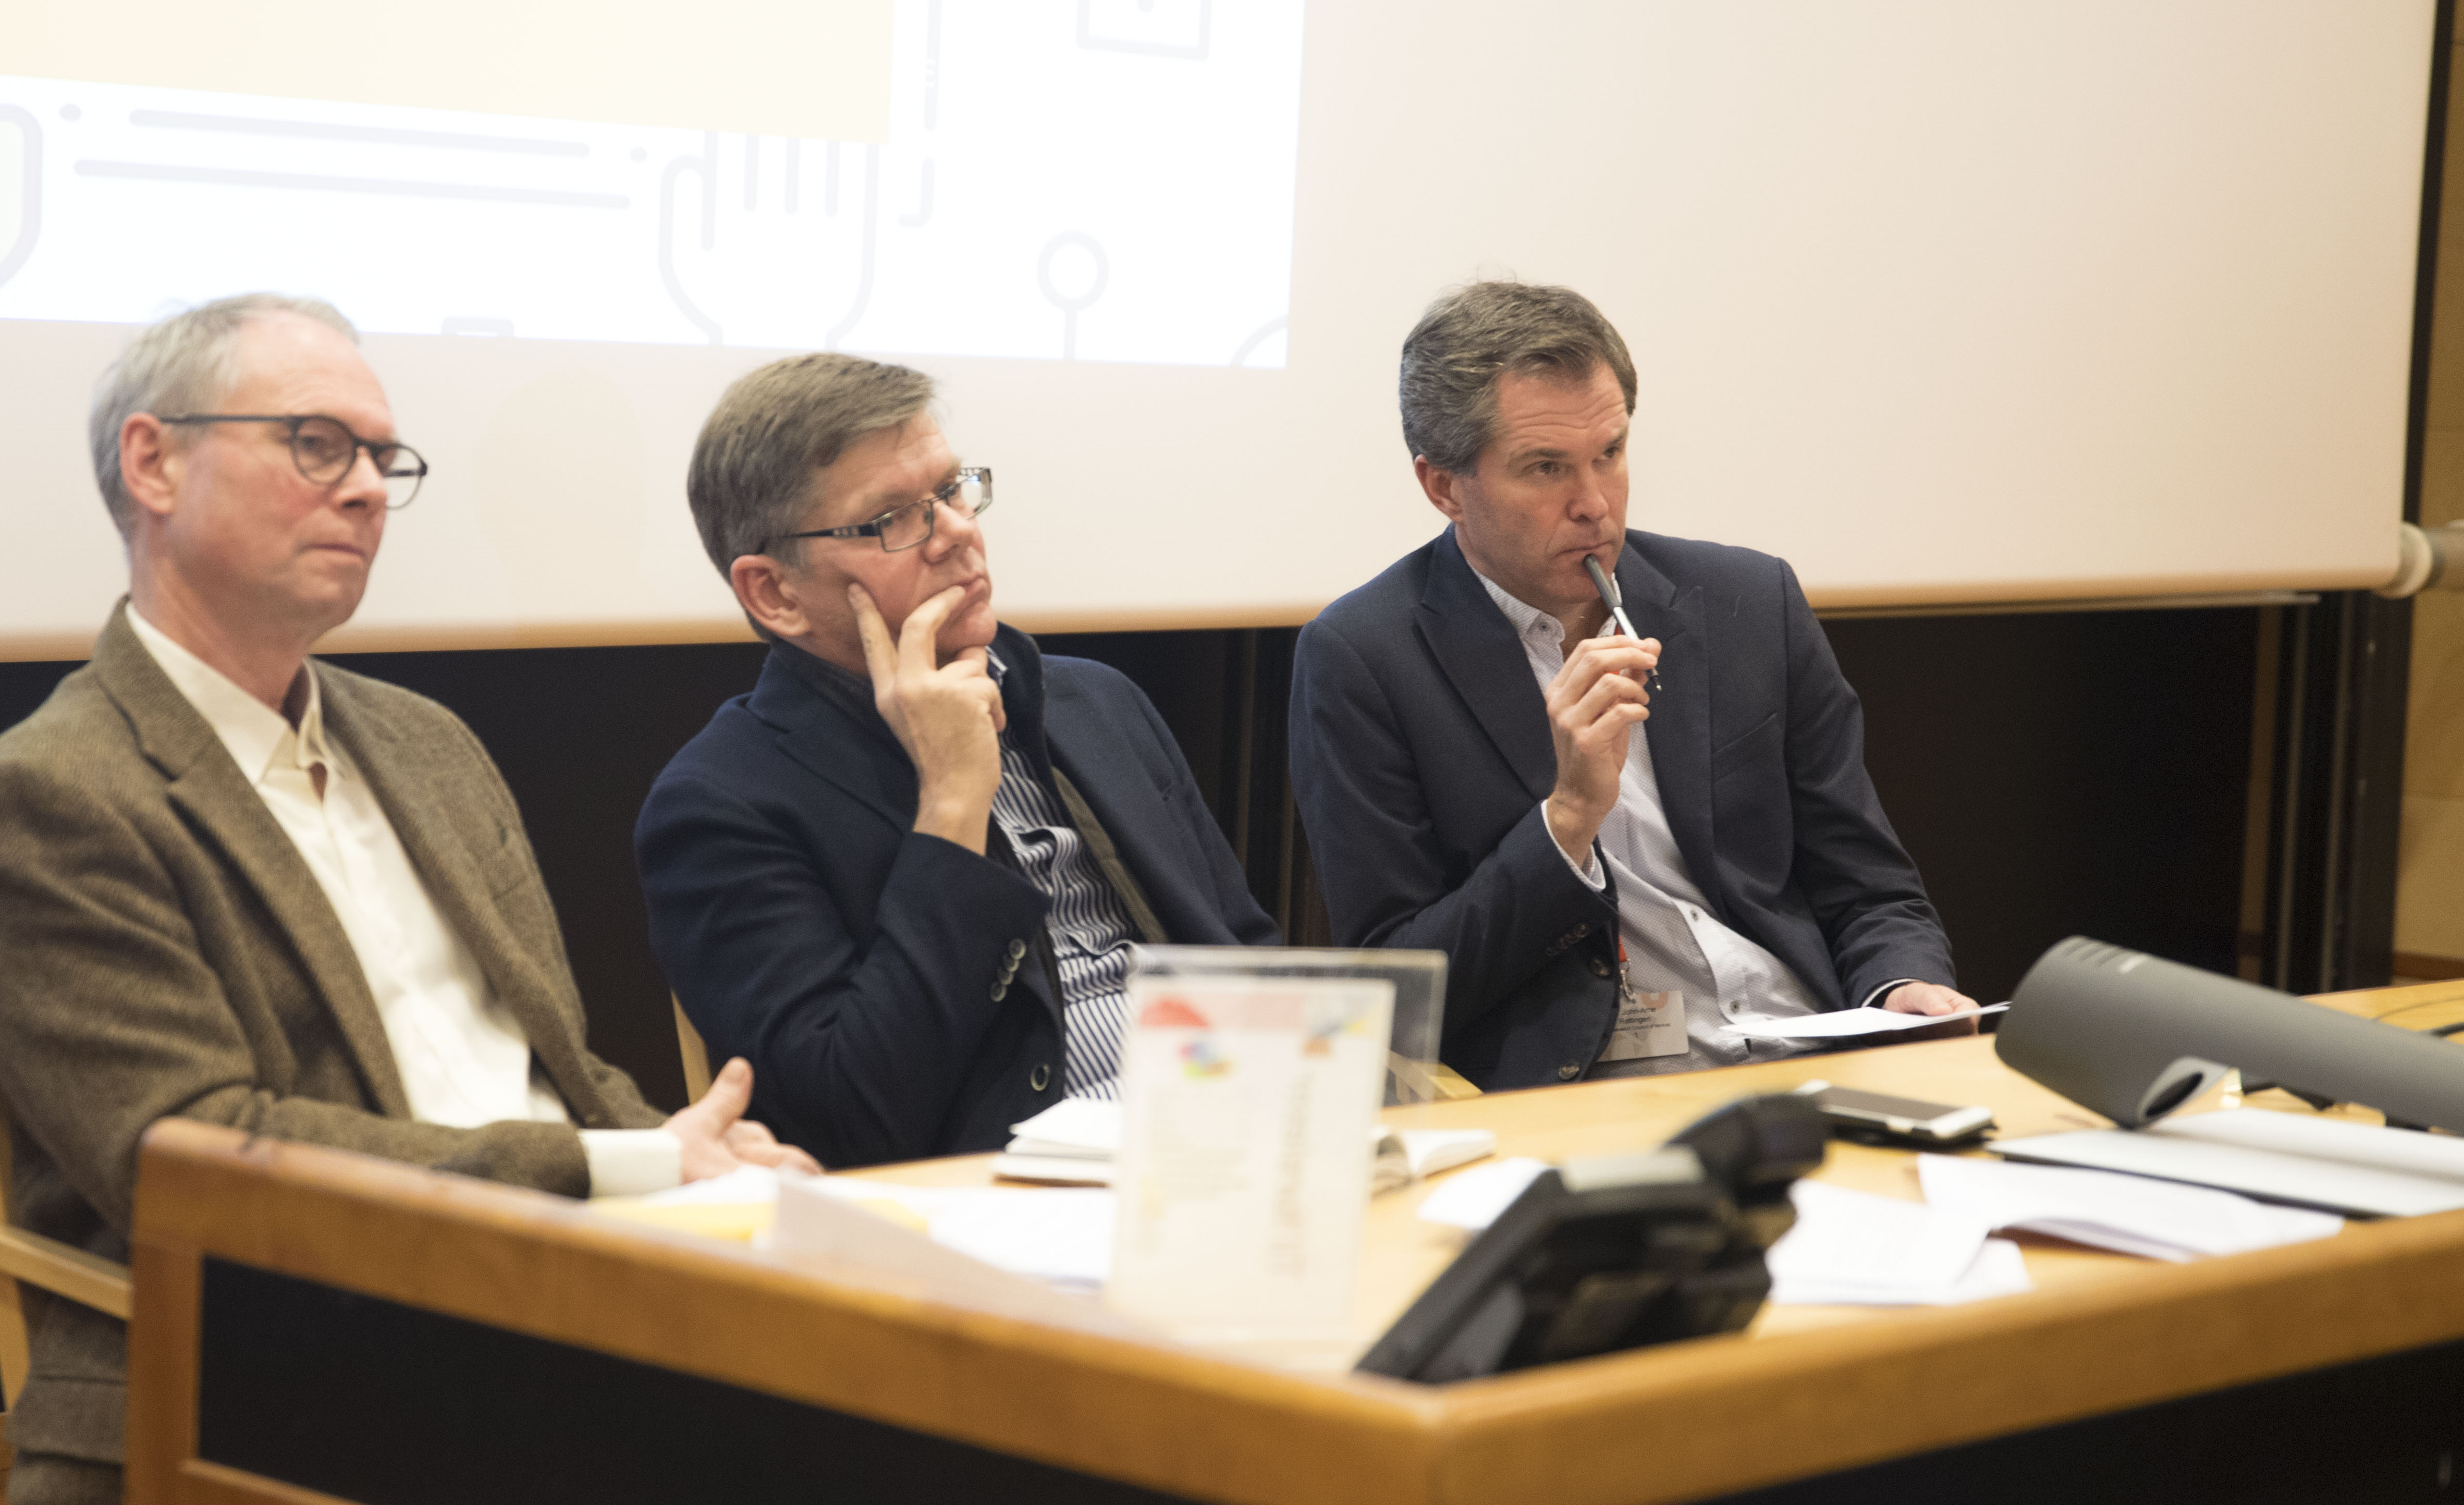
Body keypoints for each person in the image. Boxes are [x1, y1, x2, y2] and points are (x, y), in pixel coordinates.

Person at [0, 295, 817, 1505]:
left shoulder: (428, 745)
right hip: (267, 1367)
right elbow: (194, 1156)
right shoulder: (54, 796)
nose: (362, 490)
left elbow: (553, 1070)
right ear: (153, 462)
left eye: (380, 458)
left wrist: (694, 1162)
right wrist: (623, 1169)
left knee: (930, 1439)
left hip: (556, 1302)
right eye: (315, 444)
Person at [1289, 281, 1975, 1091]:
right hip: (1592, 1093)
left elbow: (1871, 889)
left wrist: (1901, 984)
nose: (1594, 504)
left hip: (1812, 1056)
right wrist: (1568, 820)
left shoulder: (1749, 603)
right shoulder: (1364, 658)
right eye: (1545, 468)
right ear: (1444, 487)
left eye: (1609, 454)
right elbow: (1399, 992)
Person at [636, 353, 1280, 1169]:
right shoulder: (720, 805)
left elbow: (1251, 955)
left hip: (1235, 1144)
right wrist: (951, 803)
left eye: (951, 490)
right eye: (892, 520)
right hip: (1000, 1203)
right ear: (775, 593)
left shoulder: (1095, 702)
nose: (957, 532)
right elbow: (848, 1123)